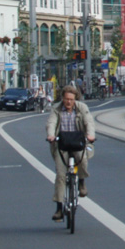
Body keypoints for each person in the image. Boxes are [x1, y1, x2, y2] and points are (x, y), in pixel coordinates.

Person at [46, 85, 96, 222]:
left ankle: (81, 182)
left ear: (75, 99)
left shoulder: (82, 108)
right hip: (61, 145)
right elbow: (51, 122)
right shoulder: (56, 108)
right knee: (61, 175)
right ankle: (59, 208)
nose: (69, 102)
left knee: (83, 159)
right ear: (63, 98)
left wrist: (90, 135)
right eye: (66, 99)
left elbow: (89, 122)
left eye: (71, 99)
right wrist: (51, 136)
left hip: (78, 143)